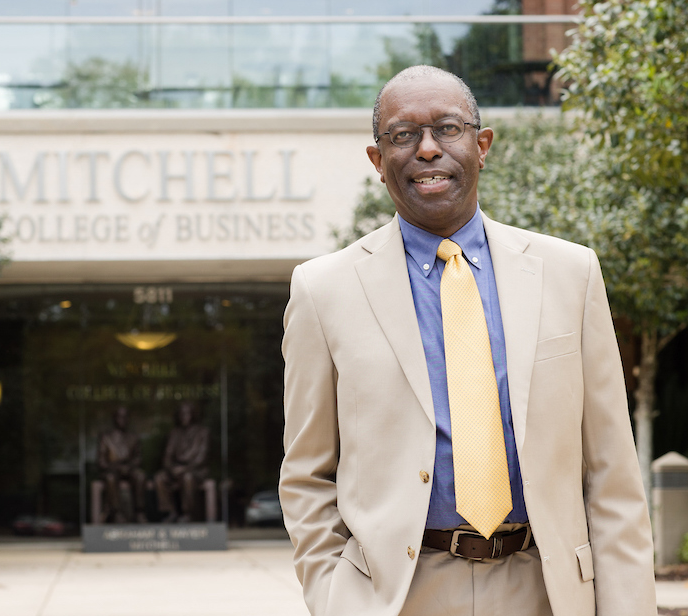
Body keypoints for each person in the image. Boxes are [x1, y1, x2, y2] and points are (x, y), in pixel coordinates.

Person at [279, 65, 655, 616]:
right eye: (403, 135)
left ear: (482, 146)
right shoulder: (322, 290)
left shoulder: (570, 274)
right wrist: (334, 598)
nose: (427, 149)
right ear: (377, 162)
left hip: (546, 590)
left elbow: (613, 476)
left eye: (447, 129)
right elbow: (307, 474)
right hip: (398, 595)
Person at [154, 401, 209, 523]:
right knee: (160, 478)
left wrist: (184, 469)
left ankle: (187, 513)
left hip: (195, 470)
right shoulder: (174, 433)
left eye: (187, 414)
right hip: (175, 470)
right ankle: (170, 511)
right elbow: (167, 456)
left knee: (187, 478)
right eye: (181, 414)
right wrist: (171, 469)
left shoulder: (202, 432)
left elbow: (201, 458)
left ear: (192, 415)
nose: (184, 417)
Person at [97, 406, 146, 523]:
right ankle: (116, 512)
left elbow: (138, 458)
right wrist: (117, 467)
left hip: (129, 469)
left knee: (140, 476)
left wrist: (129, 467)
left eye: (125, 417)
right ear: (114, 419)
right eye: (119, 417)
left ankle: (139, 512)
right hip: (113, 469)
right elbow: (101, 461)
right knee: (110, 477)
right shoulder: (106, 437)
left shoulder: (133, 437)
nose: (122, 420)